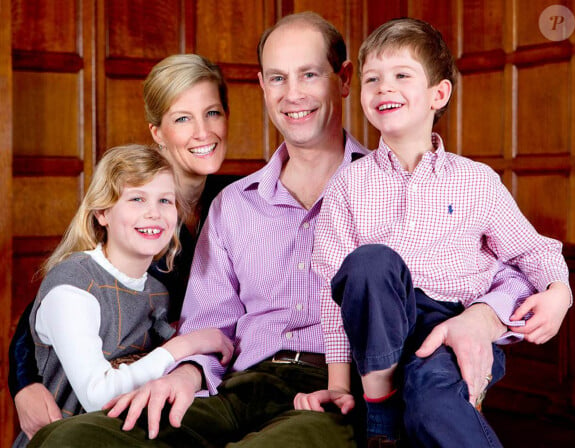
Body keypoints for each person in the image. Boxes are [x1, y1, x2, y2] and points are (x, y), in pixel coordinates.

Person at [29, 13, 534, 448]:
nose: (292, 95)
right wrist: (183, 374)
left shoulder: (400, 185)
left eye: (309, 74)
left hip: (338, 394)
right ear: (262, 86)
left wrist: (485, 316)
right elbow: (210, 323)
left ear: (343, 79)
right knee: (69, 438)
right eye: (276, 78)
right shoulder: (232, 205)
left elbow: (515, 269)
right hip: (242, 386)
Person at [299, 18, 571, 447]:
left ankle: (406, 416)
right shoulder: (347, 184)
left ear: (438, 94)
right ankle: (380, 418)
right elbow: (331, 288)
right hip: (379, 331)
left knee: (433, 401)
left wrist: (560, 291)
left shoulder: (476, 180)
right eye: (372, 79)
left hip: (452, 321)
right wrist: (337, 384)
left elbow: (531, 250)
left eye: (402, 76)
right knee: (370, 262)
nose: (384, 88)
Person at [9, 53, 235, 442]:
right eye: (183, 118)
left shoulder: (240, 200)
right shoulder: (126, 209)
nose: (203, 132)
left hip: (181, 384)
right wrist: (23, 382)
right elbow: (56, 301)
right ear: (157, 132)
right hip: (98, 398)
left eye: (212, 113)